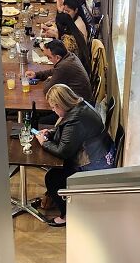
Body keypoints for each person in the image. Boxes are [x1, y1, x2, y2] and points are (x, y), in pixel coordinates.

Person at [35, 84, 115, 226]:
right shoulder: (80, 105)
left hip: (93, 164)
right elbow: (69, 134)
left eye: (54, 107)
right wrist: (51, 133)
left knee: (53, 177)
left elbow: (63, 151)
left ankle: (67, 215)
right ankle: (58, 200)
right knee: (55, 173)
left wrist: (43, 143)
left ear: (61, 104)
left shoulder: (75, 119)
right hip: (100, 154)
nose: (53, 110)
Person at [55, 12, 92, 76]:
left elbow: (62, 62)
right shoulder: (76, 33)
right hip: (81, 70)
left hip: (73, 74)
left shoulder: (68, 40)